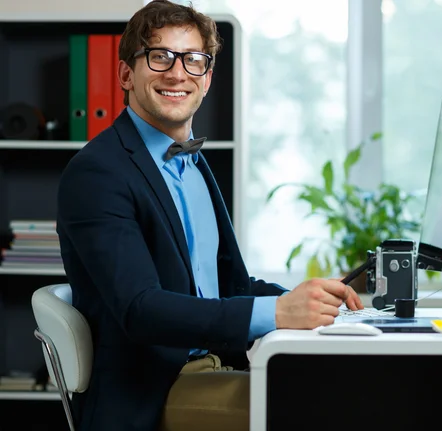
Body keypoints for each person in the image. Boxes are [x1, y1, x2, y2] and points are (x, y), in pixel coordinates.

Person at [56, 1, 363, 430]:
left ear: (208, 78)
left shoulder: (194, 165)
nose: (178, 73)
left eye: (193, 60)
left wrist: (321, 306)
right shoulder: (97, 172)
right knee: (330, 407)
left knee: (354, 382)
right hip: (151, 391)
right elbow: (141, 309)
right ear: (126, 74)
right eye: (159, 56)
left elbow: (229, 286)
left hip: (214, 367)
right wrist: (277, 313)